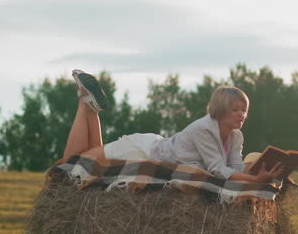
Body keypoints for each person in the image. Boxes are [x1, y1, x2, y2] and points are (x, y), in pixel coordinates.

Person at [61, 70, 285, 183]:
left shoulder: (236, 137)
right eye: (235, 109)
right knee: (70, 166)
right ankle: (84, 106)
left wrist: (259, 168)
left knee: (86, 163)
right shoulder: (204, 129)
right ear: (221, 108)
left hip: (157, 146)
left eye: (244, 110)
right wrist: (255, 180)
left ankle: (88, 106)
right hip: (141, 150)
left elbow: (234, 166)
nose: (241, 115)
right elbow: (218, 170)